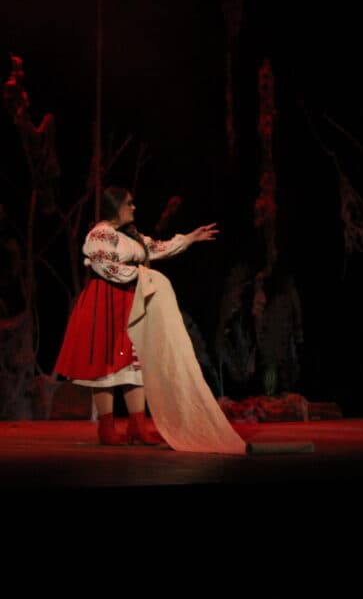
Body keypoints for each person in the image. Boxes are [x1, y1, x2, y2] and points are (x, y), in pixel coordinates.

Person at [53, 187, 245, 453]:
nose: (133, 207)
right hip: (106, 302)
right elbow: (106, 267)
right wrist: (141, 275)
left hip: (130, 301)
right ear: (115, 206)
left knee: (135, 363)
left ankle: (137, 424)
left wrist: (189, 239)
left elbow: (156, 248)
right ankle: (106, 427)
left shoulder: (129, 236)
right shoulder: (100, 234)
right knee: (107, 364)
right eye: (129, 203)